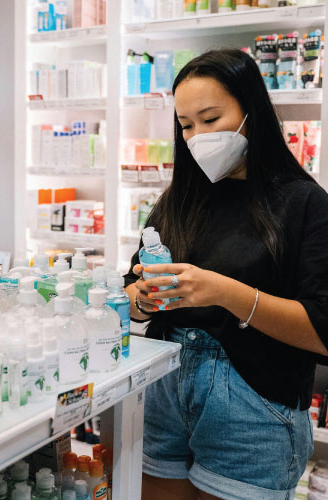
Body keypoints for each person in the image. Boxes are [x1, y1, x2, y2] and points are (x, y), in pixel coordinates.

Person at [124, 48, 328, 500]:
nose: (198, 137)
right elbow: (132, 293)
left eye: (211, 119)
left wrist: (224, 292)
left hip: (253, 406)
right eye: (186, 125)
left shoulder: (305, 204)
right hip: (164, 389)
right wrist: (142, 298)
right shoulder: (179, 200)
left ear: (251, 113)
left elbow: (322, 330)